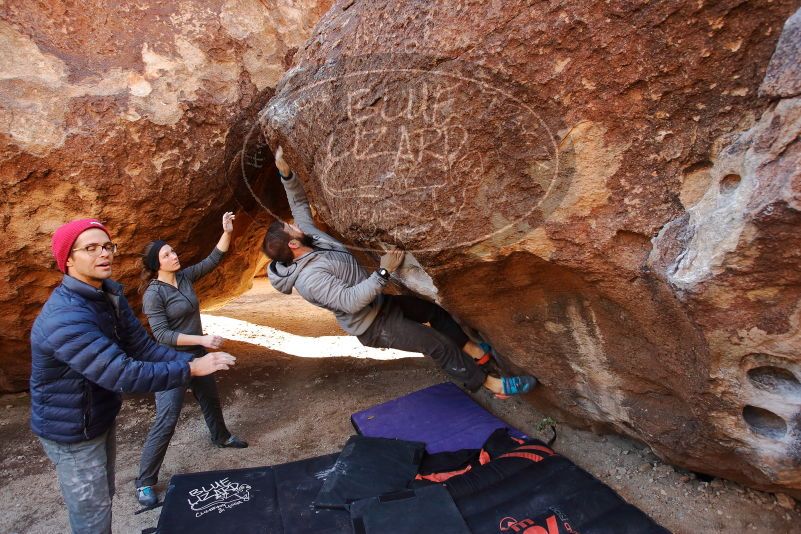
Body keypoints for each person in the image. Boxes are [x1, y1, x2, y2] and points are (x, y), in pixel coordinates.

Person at [263, 147, 537, 398]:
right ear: (293, 244)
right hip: (373, 325)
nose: (293, 224)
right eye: (290, 228)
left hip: (381, 306)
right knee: (436, 345)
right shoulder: (310, 280)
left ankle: (475, 352)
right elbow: (349, 301)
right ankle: (493, 385)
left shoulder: (310, 239)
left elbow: (298, 206)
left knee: (435, 314)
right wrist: (383, 271)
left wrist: (285, 173)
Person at [31, 218, 236, 534]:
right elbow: (121, 373)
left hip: (98, 415)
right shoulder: (66, 317)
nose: (104, 254)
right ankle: (146, 480)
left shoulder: (108, 296)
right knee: (93, 517)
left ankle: (220, 434)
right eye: (91, 248)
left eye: (107, 246)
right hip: (71, 430)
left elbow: (142, 347)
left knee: (104, 498)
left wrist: (193, 363)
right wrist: (190, 367)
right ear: (68, 260)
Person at [135, 211, 248, 507]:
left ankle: (221, 437)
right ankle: (145, 482)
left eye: (172, 251)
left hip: (198, 354)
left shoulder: (183, 277)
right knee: (167, 418)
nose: (174, 255)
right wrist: (202, 339)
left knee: (210, 399)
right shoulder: (153, 294)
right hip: (170, 361)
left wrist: (226, 231)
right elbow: (162, 335)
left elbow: (213, 260)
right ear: (156, 264)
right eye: (167, 254)